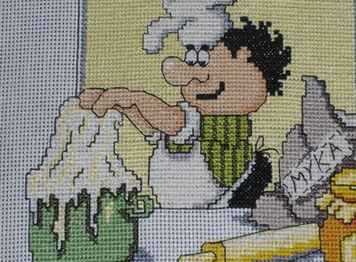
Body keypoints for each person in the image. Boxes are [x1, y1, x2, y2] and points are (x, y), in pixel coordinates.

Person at [80, 17, 291, 208]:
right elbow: (151, 127)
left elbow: (171, 121)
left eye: (205, 64)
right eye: (194, 62)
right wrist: (117, 104)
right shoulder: (195, 119)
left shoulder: (216, 125)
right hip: (183, 211)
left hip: (217, 206)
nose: (197, 77)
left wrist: (133, 97)